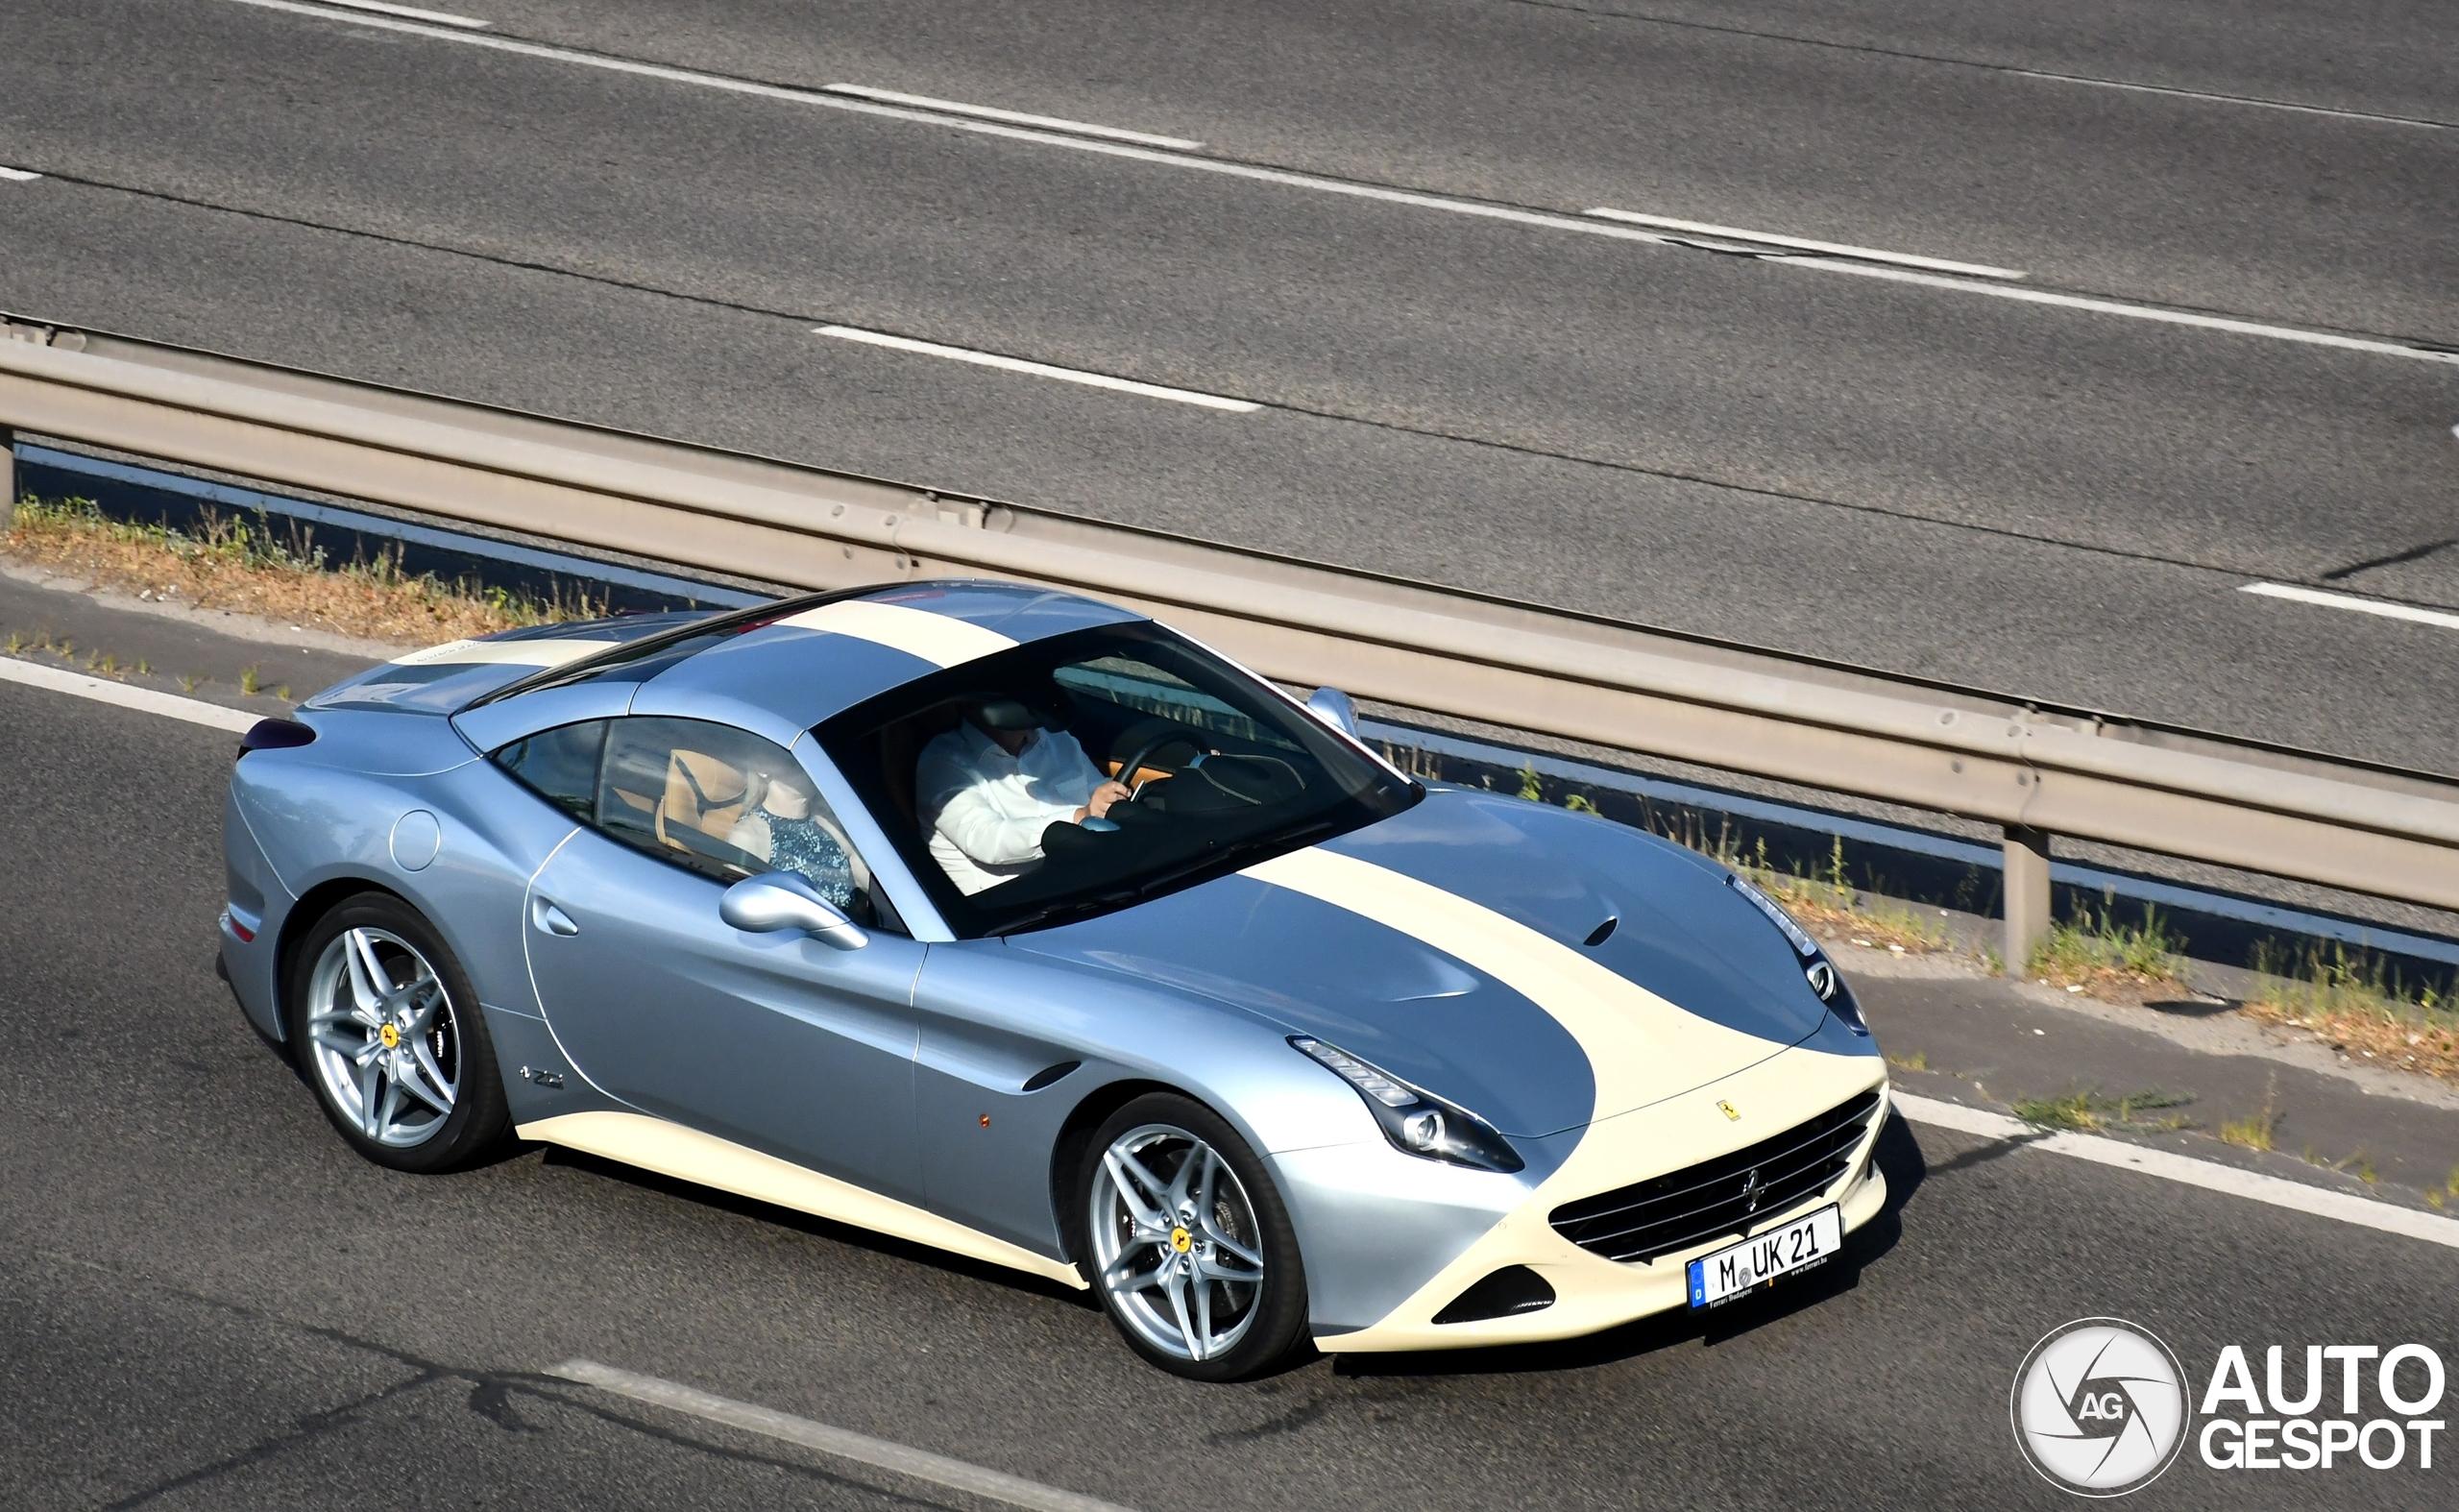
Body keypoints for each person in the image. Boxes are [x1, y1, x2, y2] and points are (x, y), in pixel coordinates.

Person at [917, 698, 1132, 893]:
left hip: (1085, 885)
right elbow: (987, 840)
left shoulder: (1058, 740)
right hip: (1010, 914)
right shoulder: (942, 762)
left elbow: (1095, 789)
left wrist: (1114, 798)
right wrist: (1079, 818)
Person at [727, 769, 860, 911]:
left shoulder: (829, 823)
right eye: (792, 761)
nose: (806, 767)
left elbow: (873, 880)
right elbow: (741, 909)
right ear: (763, 770)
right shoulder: (749, 835)